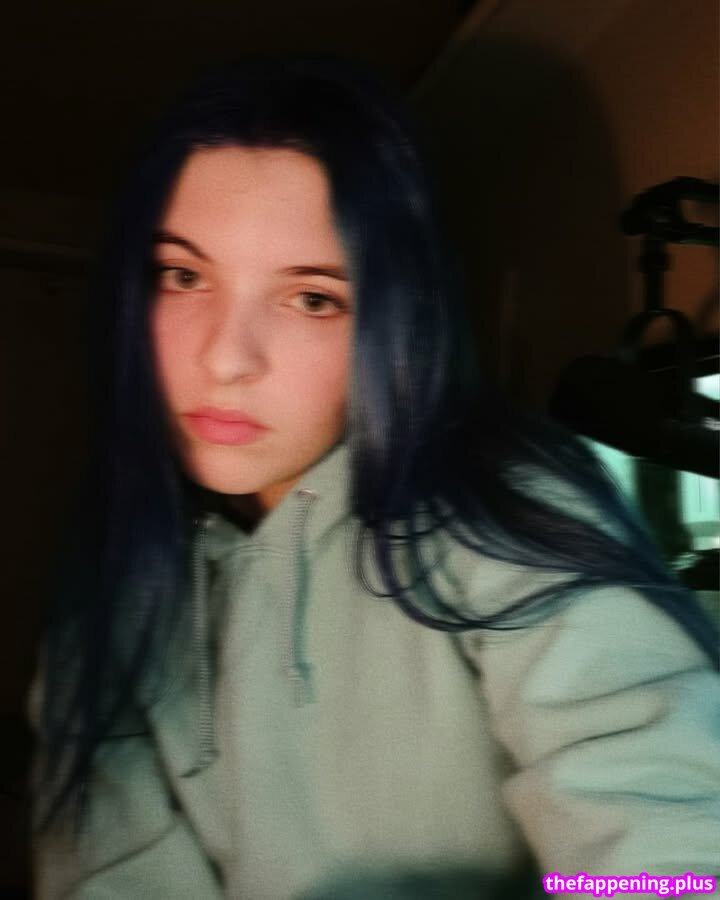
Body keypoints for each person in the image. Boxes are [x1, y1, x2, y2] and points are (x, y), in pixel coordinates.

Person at [31, 57, 719, 900]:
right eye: (184, 276)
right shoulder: (107, 608)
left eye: (312, 298)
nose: (225, 358)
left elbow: (670, 846)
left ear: (394, 320)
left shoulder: (498, 507)